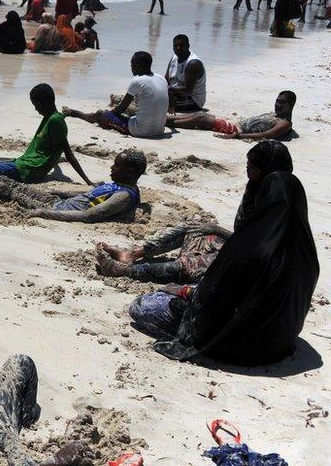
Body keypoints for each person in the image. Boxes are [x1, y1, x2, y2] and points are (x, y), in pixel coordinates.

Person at [128, 142, 317, 366]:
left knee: (143, 305)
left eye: (252, 166)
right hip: (280, 340)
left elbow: (215, 303)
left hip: (239, 344)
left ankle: (131, 268)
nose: (248, 170)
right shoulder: (306, 252)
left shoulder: (252, 250)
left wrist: (185, 292)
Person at [0, 149, 146, 223]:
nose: (111, 168)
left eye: (116, 165)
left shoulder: (124, 196)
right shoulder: (117, 184)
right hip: (58, 201)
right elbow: (87, 195)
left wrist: (43, 212)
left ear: (129, 172)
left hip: (58, 209)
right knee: (6, 181)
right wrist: (56, 191)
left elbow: (89, 214)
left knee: (5, 189)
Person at [63, 52, 168, 138]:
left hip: (141, 131)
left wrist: (109, 115)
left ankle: (76, 113)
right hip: (160, 129)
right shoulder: (161, 79)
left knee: (101, 113)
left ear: (139, 66)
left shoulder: (137, 81)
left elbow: (121, 109)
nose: (131, 67)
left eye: (132, 64)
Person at [95, 222, 230, 283]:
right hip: (231, 245)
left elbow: (249, 245)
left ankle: (123, 271)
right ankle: (134, 253)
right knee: (195, 227)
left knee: (192, 264)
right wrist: (218, 231)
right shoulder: (251, 191)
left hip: (237, 262)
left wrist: (220, 232)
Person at [166, 90, 295, 141]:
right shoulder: (278, 116)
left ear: (290, 105)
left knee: (200, 118)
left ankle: (164, 122)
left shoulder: (284, 123)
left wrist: (237, 136)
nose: (277, 105)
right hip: (236, 124)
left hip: (235, 129)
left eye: (281, 103)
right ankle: (164, 119)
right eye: (277, 101)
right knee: (198, 115)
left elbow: (266, 135)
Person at [164, 34, 206, 113]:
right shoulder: (174, 58)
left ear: (188, 46)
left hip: (193, 99)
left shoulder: (193, 63)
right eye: (175, 46)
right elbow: (166, 79)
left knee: (160, 104)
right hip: (174, 93)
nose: (178, 48)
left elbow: (188, 90)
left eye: (181, 45)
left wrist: (169, 90)